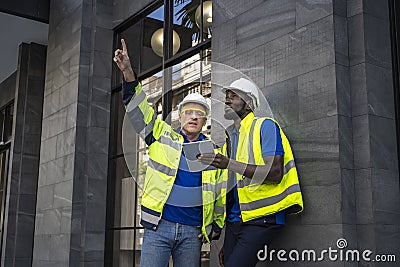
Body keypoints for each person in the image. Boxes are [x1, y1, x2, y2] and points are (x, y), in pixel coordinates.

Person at [114, 39, 224, 267]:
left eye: (200, 113)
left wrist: (216, 226)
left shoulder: (214, 152)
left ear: (205, 120)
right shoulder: (160, 134)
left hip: (192, 233)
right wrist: (128, 73)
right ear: (180, 116)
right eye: (189, 112)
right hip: (158, 227)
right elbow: (138, 108)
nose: (194, 116)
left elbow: (219, 193)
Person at [199, 78, 304, 267]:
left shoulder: (265, 126)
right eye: (226, 97)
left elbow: (274, 173)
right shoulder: (230, 139)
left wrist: (229, 164)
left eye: (233, 96)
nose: (227, 101)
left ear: (248, 103)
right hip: (235, 221)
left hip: (263, 218)